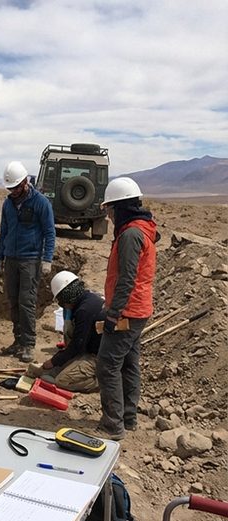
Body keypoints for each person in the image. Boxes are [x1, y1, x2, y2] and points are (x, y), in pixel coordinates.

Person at [96, 177, 158, 439]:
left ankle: (113, 424)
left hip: (129, 310)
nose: (108, 216)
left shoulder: (131, 234)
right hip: (138, 309)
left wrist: (113, 313)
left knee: (108, 365)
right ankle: (128, 418)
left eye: (110, 210)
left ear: (120, 208)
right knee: (129, 363)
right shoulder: (139, 229)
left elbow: (127, 278)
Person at [0, 161, 56, 363]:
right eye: (9, 188)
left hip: (30, 260)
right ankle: (18, 340)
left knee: (26, 302)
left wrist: (46, 259)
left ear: (24, 182)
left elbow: (49, 232)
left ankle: (29, 344)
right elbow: (4, 231)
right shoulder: (7, 204)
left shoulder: (40, 203)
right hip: (11, 259)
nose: (12, 191)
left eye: (14, 188)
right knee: (13, 301)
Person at [35, 271, 103, 392]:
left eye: (61, 299)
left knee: (62, 380)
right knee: (54, 371)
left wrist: (54, 361)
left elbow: (77, 345)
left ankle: (103, 382)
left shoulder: (84, 311)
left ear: (67, 295)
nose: (61, 304)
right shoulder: (84, 301)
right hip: (88, 351)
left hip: (98, 357)